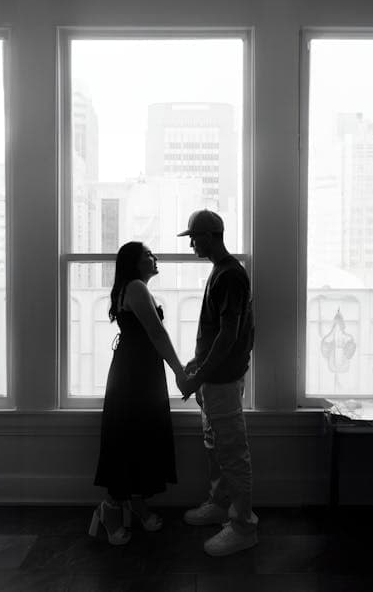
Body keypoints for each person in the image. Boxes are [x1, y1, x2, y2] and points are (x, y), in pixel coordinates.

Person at [90, 241, 187, 545]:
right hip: (135, 374)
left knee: (137, 436)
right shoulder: (135, 286)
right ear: (133, 262)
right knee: (131, 436)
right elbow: (157, 333)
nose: (154, 257)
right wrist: (180, 373)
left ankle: (136, 502)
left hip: (136, 371)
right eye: (148, 254)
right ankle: (110, 509)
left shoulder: (132, 287)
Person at [177, 209, 258, 557]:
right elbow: (218, 333)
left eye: (194, 236)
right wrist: (198, 364)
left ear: (211, 235)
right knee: (215, 445)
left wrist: (200, 375)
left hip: (222, 381)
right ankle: (220, 503)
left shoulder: (230, 276)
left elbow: (229, 334)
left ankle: (242, 526)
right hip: (215, 378)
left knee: (231, 452)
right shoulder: (221, 272)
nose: (192, 243)